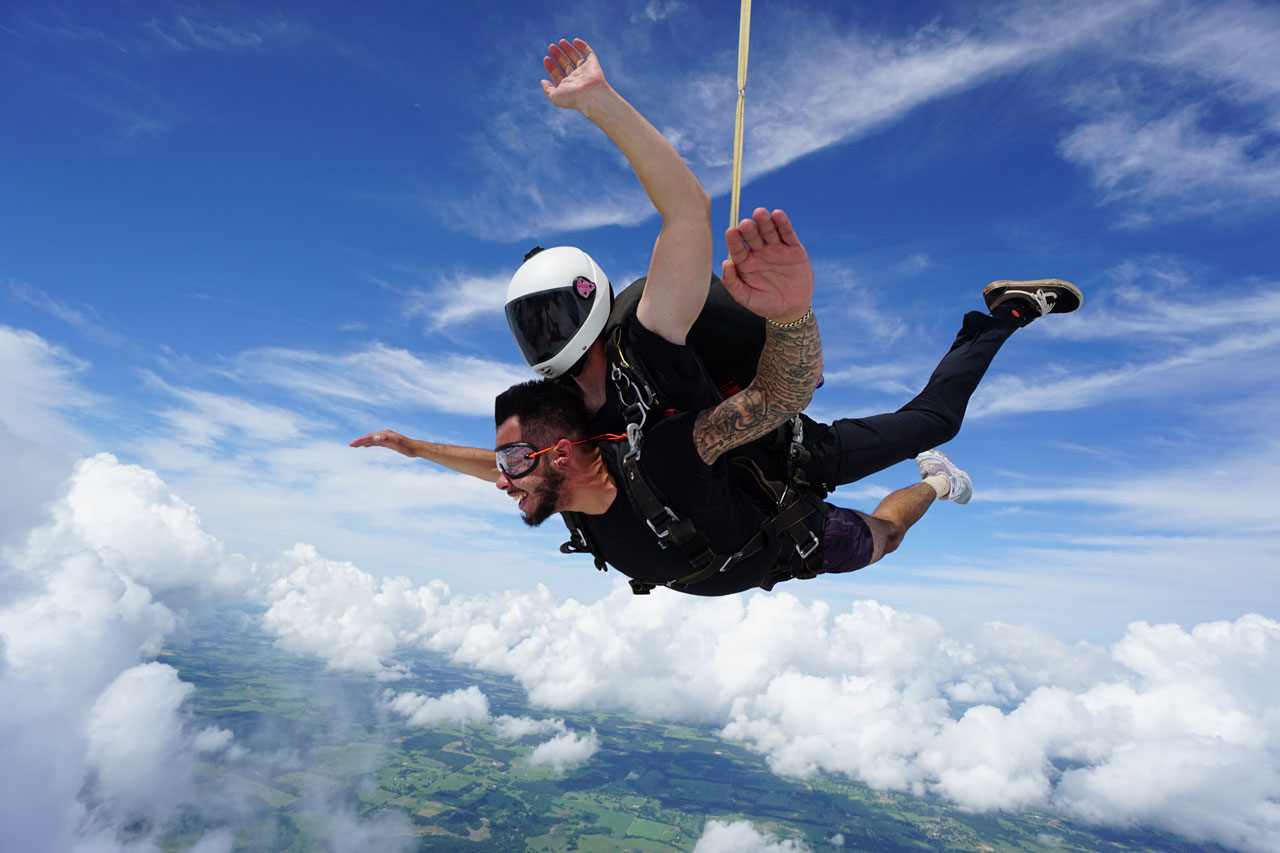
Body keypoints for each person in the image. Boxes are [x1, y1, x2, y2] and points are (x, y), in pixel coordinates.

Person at [491, 208, 977, 595]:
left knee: (936, 421)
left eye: (552, 318)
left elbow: (683, 215)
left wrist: (789, 322)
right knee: (884, 537)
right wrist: (418, 449)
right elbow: (528, 466)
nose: (547, 337)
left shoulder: (650, 342)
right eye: (531, 326)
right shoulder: (567, 414)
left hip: (794, 448)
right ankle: (937, 481)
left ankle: (992, 326)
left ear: (586, 296)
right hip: (757, 515)